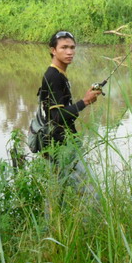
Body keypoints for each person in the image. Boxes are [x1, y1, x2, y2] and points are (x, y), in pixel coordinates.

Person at [38, 30, 102, 201]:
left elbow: (59, 112)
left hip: (59, 143)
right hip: (62, 145)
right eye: (64, 47)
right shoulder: (53, 77)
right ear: (53, 50)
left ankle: (53, 226)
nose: (69, 52)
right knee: (90, 192)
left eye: (72, 47)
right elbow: (56, 116)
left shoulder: (60, 74)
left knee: (55, 194)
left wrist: (85, 99)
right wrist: (85, 102)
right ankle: (98, 225)